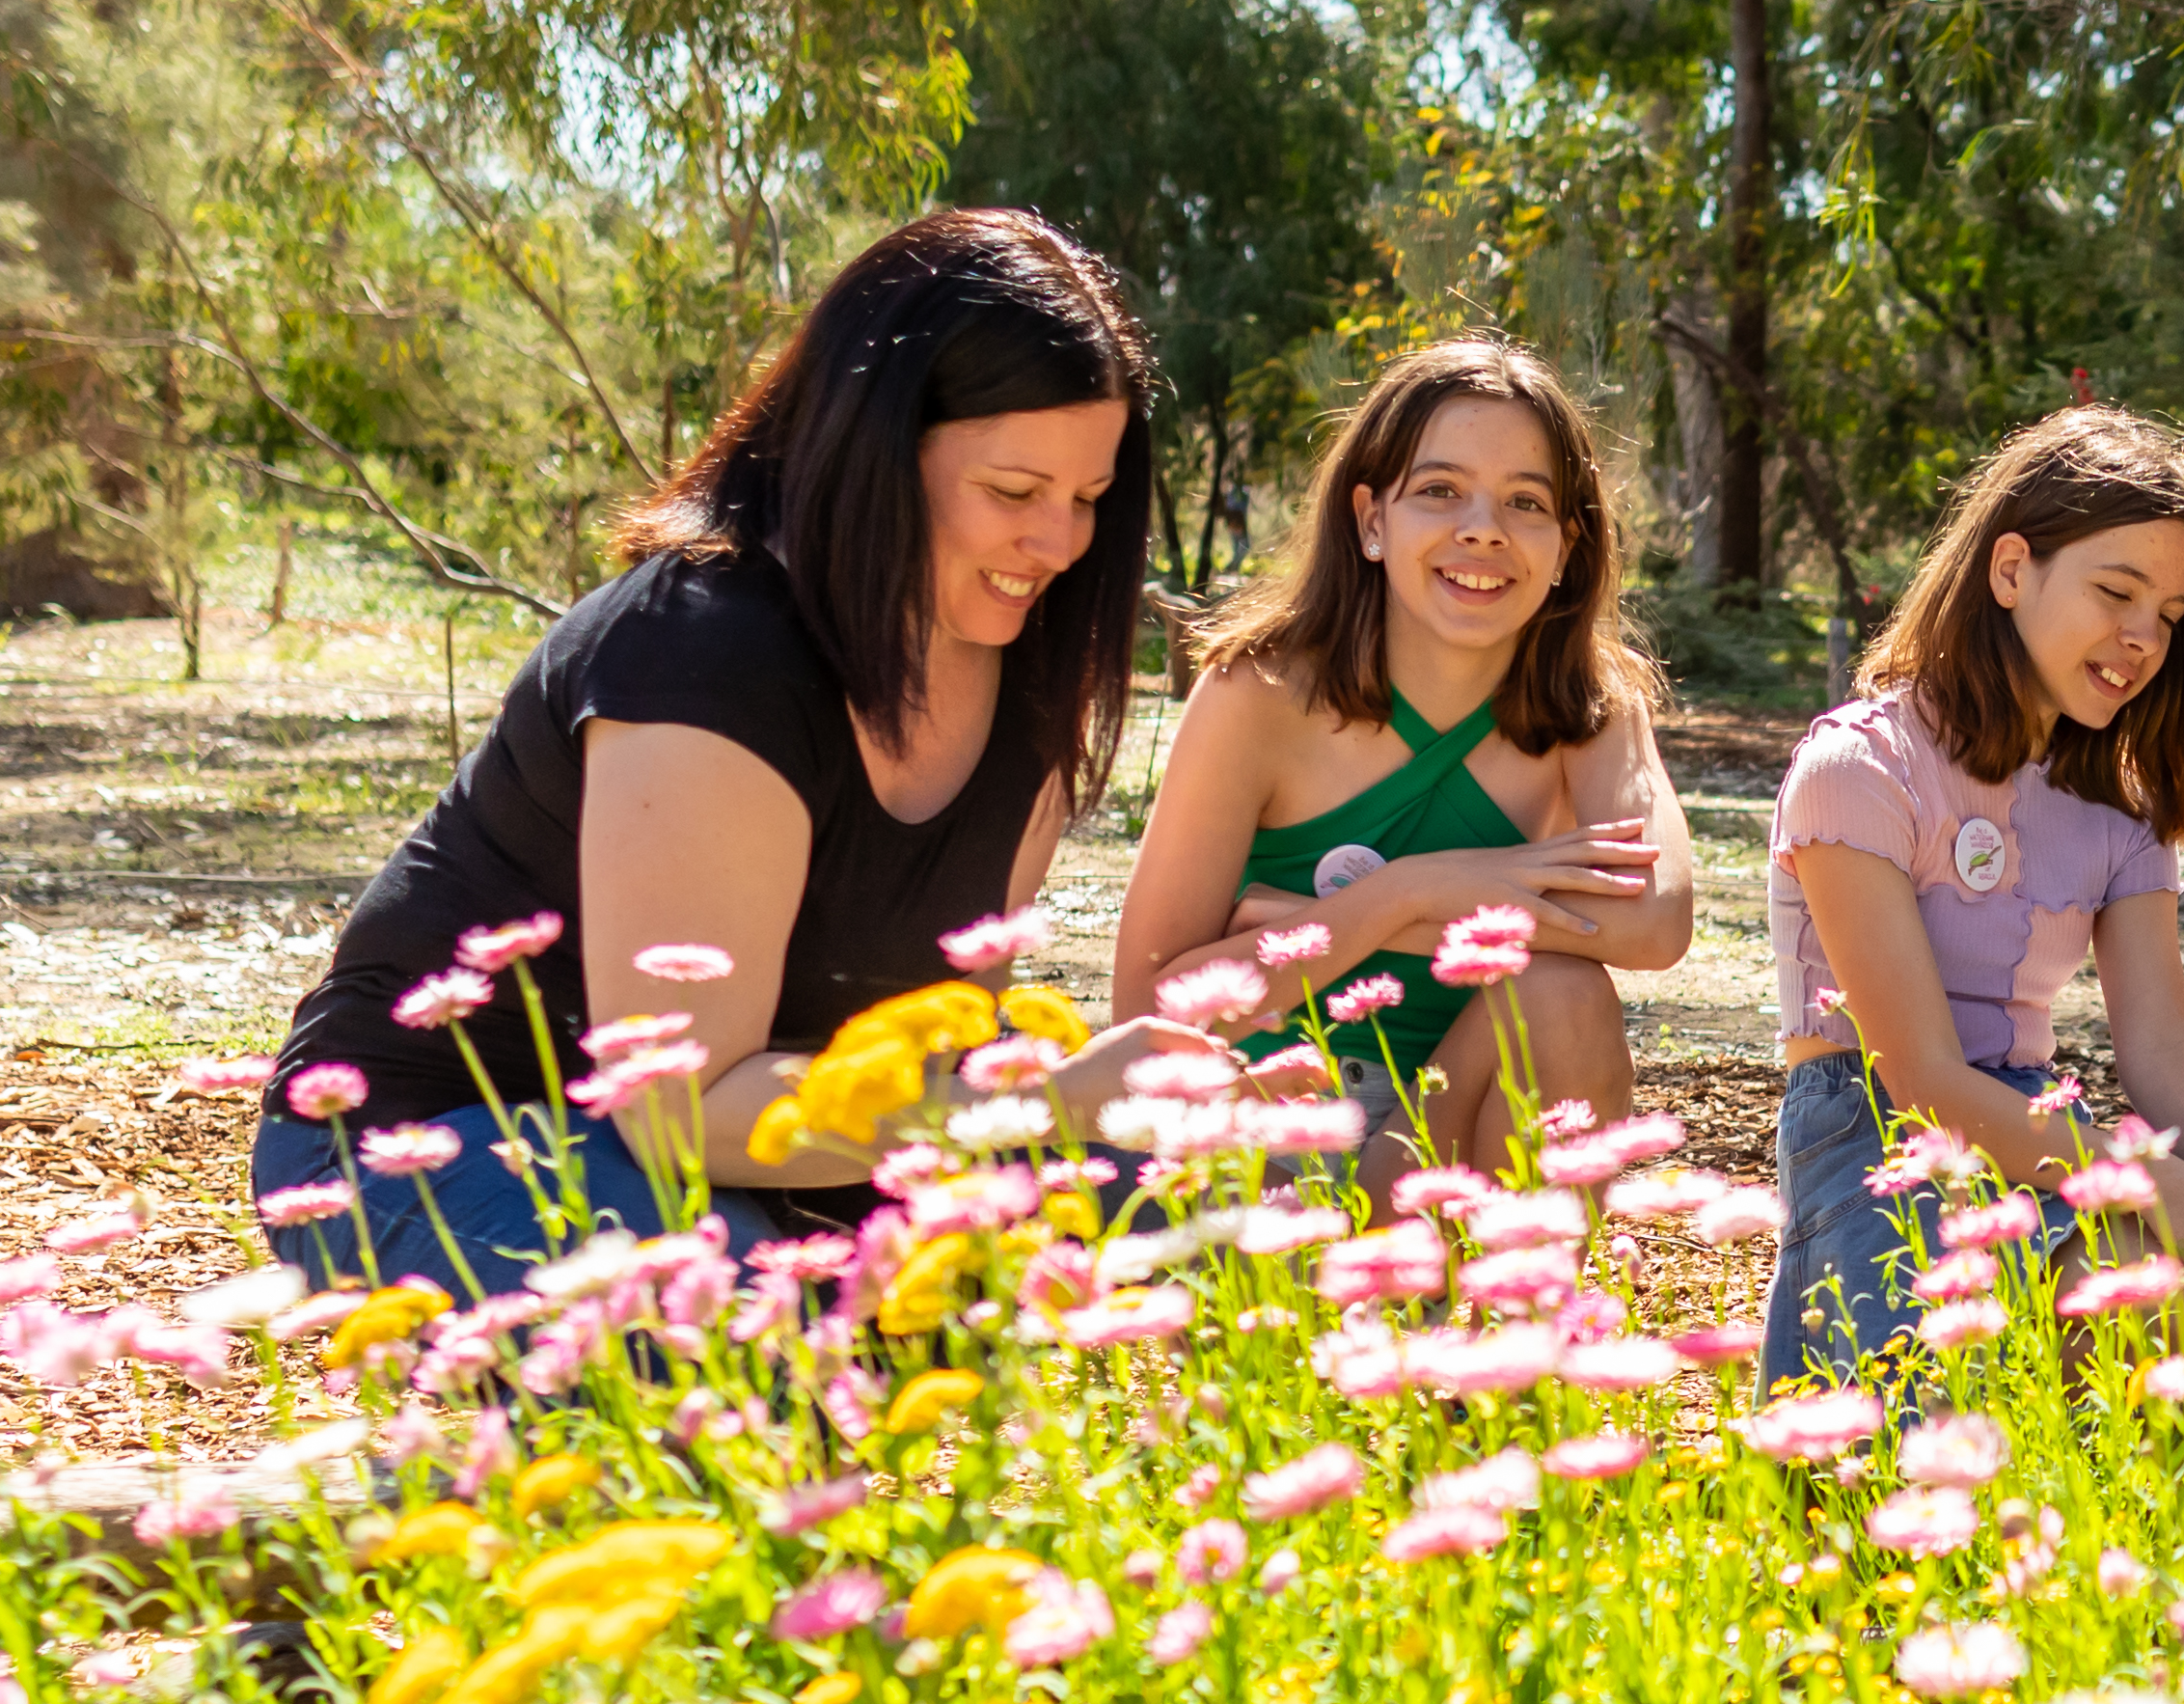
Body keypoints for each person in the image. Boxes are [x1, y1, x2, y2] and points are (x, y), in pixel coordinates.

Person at [256, 206, 1164, 1304]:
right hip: (440, 1133)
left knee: (1208, 1203)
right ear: (872, 455)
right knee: (739, 1336)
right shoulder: (705, 649)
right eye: (1014, 493)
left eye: (1090, 500)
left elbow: (935, 1048)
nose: (1060, 544)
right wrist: (1046, 1104)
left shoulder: (1027, 680)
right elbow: (683, 1105)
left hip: (735, 1157)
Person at [1759, 405, 2184, 1378]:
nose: (2142, 639)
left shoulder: (2120, 811)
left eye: (2167, 619)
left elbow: (2164, 1045)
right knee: (1923, 1438)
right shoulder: (1860, 770)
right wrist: (2152, 1184)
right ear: (2012, 570)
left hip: (2041, 1127)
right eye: (2116, 592)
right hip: (1875, 1133)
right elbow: (1918, 1080)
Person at [1103, 340, 1693, 1173]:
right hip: (1265, 1113)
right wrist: (1410, 891)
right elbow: (1148, 1008)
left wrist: (1305, 923)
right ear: (1373, 520)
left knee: (1565, 995)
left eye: (1525, 503)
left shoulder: (1592, 707)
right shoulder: (1258, 696)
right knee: (1560, 967)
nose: (1482, 530)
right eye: (1440, 491)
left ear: (1565, 548)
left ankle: (1510, 1305)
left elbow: (1655, 923)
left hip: (1458, 1123)